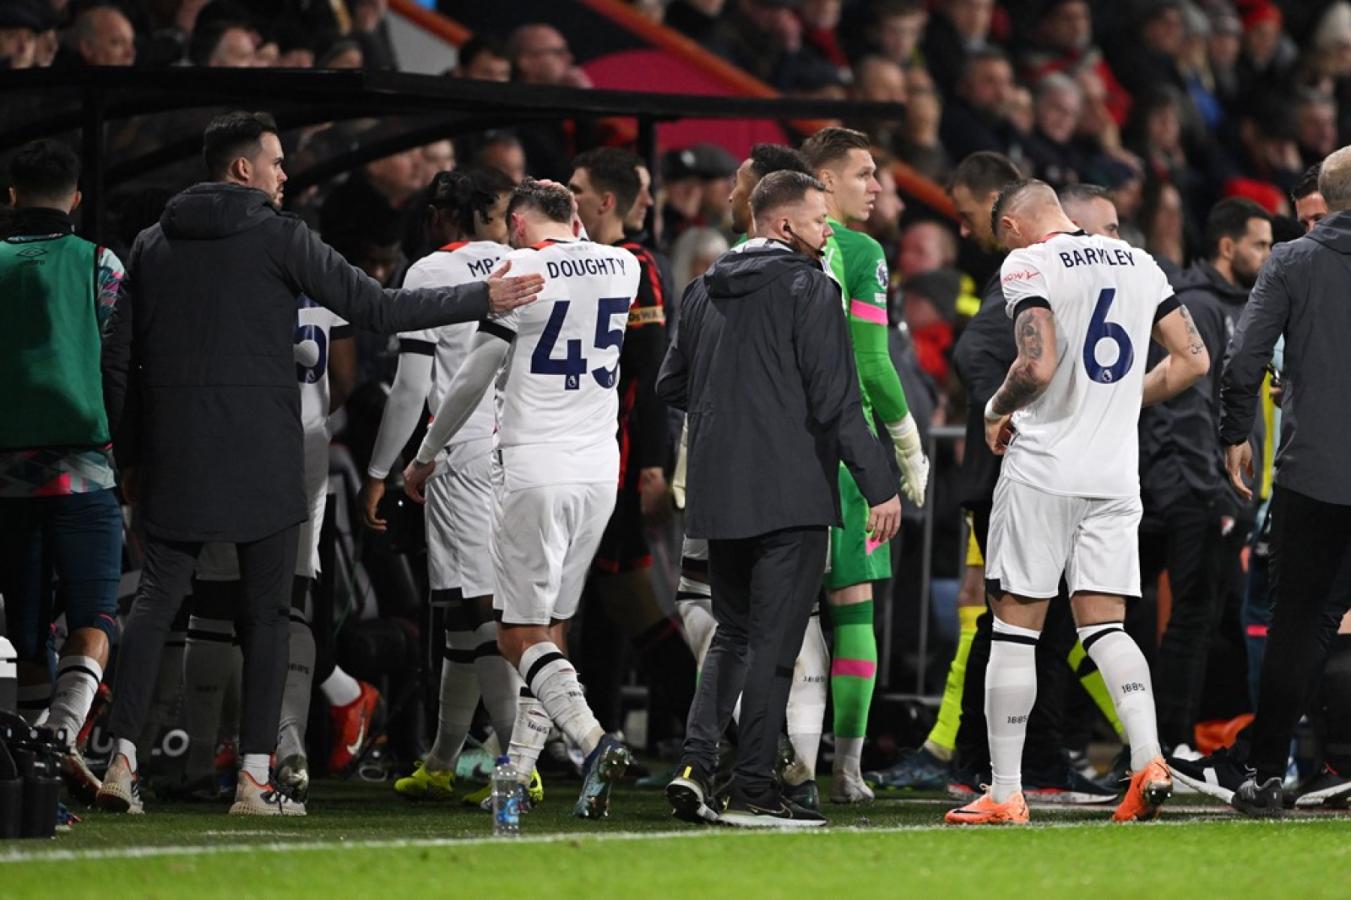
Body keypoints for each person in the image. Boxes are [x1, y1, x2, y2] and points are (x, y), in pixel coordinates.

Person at [95, 111, 543, 818]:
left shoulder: (152, 244)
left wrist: (130, 455)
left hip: (178, 447)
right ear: (243, 169)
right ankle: (254, 779)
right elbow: (376, 307)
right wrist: (480, 298)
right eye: (276, 163)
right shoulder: (282, 236)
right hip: (266, 450)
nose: (284, 175)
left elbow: (117, 359)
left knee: (158, 603)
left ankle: (121, 764)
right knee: (269, 614)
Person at [946, 179, 1208, 825]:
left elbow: (1033, 366)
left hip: (1043, 470)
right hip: (1115, 476)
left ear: (1010, 224)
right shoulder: (1139, 261)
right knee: (1104, 625)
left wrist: (992, 409)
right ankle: (1147, 757)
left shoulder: (1028, 262)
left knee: (1013, 624)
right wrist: (1115, 401)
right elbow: (1192, 360)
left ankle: (1005, 791)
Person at [658, 170, 900, 828]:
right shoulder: (809, 287)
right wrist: (881, 486)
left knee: (732, 635)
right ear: (785, 225)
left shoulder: (700, 291)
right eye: (821, 221)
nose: (829, 233)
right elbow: (837, 402)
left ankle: (697, 764)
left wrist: (734, 399)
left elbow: (671, 383)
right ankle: (755, 787)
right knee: (775, 644)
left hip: (717, 487)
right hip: (790, 490)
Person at [403, 179, 639, 820]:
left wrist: (425, 455)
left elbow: (475, 375)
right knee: (549, 633)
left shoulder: (520, 268)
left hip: (536, 469)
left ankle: (591, 742)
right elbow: (579, 250)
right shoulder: (624, 266)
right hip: (599, 473)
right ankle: (513, 780)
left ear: (514, 223)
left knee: (515, 634)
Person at [1175, 145, 1351, 816]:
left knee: (1299, 621)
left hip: (1315, 472)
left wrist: (1231, 435)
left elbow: (1242, 357)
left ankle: (1266, 773)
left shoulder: (1291, 260)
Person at [362, 167, 537, 808]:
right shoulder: (527, 262)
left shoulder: (430, 272)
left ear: (440, 216)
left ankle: (521, 761)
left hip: (459, 454)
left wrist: (380, 471)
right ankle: (441, 759)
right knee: (470, 618)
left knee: (476, 612)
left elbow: (411, 387)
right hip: (525, 449)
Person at [800, 126, 928, 803]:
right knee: (849, 610)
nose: (876, 186)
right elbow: (873, 363)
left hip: (772, 453)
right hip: (847, 458)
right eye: (863, 174)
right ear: (821, 184)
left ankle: (766, 760)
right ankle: (845, 770)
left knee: (771, 618)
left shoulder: (746, 248)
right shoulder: (858, 250)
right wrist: (906, 443)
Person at [0, 139, 125, 805]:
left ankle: (26, 762)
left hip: (7, 475)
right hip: (85, 470)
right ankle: (61, 733)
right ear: (75, 199)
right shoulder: (100, 264)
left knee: (21, 628)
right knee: (97, 611)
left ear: (12, 196)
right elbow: (119, 362)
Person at [567, 148, 695, 751]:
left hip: (613, 465)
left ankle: (705, 731)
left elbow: (649, 371)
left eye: (577, 187)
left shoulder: (632, 264)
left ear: (605, 201)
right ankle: (595, 732)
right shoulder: (569, 262)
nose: (569, 197)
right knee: (607, 602)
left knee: (621, 599)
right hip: (578, 460)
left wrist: (651, 461)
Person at [1138, 198, 1270, 758]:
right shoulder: (1198, 306)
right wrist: (1211, 490)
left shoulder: (1240, 305)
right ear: (1226, 246)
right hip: (1194, 490)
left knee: (1200, 615)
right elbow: (1187, 406)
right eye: (1259, 244)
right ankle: (1169, 739)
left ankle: (1164, 739)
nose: (1267, 254)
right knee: (1188, 617)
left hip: (1216, 489)